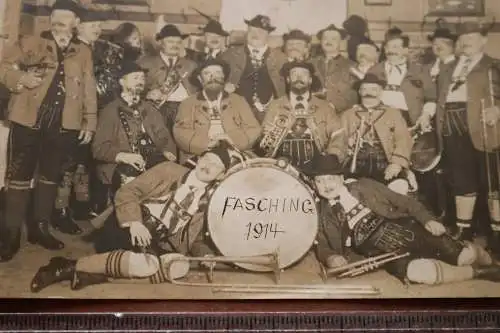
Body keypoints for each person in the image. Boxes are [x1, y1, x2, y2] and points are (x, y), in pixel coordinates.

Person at [30, 146, 231, 292]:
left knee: (179, 267)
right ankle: (66, 267)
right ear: (199, 158)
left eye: (216, 165)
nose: (208, 165)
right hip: (125, 226)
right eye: (207, 158)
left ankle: (94, 272)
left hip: (157, 242)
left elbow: (195, 239)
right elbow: (127, 192)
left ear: (221, 175)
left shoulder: (210, 201)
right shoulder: (169, 170)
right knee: (149, 266)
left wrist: (205, 256)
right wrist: (135, 222)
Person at [307, 154, 500, 286]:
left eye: (330, 178)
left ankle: (485, 258)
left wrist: (427, 220)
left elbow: (405, 202)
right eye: (319, 181)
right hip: (381, 251)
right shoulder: (321, 213)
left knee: (464, 257)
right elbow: (322, 245)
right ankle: (481, 274)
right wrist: (331, 258)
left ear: (341, 178)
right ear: (314, 185)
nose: (326, 185)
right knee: (419, 274)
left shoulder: (365, 185)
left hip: (408, 228)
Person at [0, 0, 96, 260]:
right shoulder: (30, 42)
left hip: (64, 123)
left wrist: (89, 121)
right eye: (55, 21)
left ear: (76, 24)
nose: (59, 26)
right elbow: (3, 66)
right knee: (19, 175)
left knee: (50, 176)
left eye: (65, 21)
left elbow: (88, 87)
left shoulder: (83, 51)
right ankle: (9, 234)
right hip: (28, 119)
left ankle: (39, 228)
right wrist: (21, 80)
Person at [418, 21, 500, 242]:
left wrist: (497, 110)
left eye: (472, 37)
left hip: (483, 127)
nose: (466, 42)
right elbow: (435, 98)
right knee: (461, 179)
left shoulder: (493, 65)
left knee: (492, 181)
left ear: (484, 40)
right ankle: (464, 229)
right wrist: (427, 114)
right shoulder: (448, 68)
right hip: (450, 127)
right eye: (463, 39)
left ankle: (496, 232)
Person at [92, 62, 177, 198]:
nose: (140, 81)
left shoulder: (150, 110)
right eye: (135, 77)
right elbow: (99, 149)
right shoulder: (109, 111)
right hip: (119, 167)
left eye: (142, 78)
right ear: (121, 82)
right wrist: (125, 157)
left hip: (152, 162)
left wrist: (167, 152)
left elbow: (165, 138)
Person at [258, 61, 345, 171]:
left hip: (317, 163)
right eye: (294, 74)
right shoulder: (276, 106)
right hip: (282, 163)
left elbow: (338, 135)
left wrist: (333, 156)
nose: (299, 77)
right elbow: (264, 140)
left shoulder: (325, 107)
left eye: (304, 74)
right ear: (288, 79)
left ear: (310, 80)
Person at [174, 58, 261, 162]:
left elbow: (253, 128)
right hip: (199, 155)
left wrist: (232, 139)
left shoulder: (239, 101)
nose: (213, 77)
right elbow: (180, 131)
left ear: (224, 77)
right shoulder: (188, 103)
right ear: (200, 79)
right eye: (207, 73)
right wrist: (205, 143)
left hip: (235, 152)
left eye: (218, 73)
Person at [341, 74, 413, 193]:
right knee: (351, 192)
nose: (369, 93)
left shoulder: (393, 113)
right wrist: (347, 144)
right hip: (357, 166)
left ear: (381, 92)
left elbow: (403, 139)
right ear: (359, 91)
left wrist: (397, 163)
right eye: (364, 89)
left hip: (386, 163)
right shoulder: (348, 115)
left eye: (373, 89)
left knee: (399, 188)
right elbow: (339, 142)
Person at [221, 15, 287, 123]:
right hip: (236, 113)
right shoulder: (230, 55)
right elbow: (213, 77)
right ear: (247, 32)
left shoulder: (280, 58)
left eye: (261, 32)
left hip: (269, 114)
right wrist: (224, 86)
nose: (256, 35)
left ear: (268, 35)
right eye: (252, 31)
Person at [367, 27, 436, 127]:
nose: (390, 51)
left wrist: (426, 115)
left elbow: (431, 98)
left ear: (405, 50)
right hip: (379, 120)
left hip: (409, 121)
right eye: (387, 47)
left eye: (395, 47)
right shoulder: (374, 71)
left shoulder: (420, 71)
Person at [141, 24, 198, 132]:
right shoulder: (145, 63)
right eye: (170, 42)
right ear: (161, 42)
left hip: (184, 112)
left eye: (178, 42)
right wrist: (147, 94)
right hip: (156, 110)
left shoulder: (191, 66)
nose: (175, 45)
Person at [311, 24, 358, 114]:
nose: (328, 41)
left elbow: (354, 95)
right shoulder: (310, 64)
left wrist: (334, 104)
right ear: (320, 41)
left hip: (340, 116)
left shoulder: (352, 66)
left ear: (341, 42)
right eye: (325, 38)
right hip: (313, 114)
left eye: (333, 39)